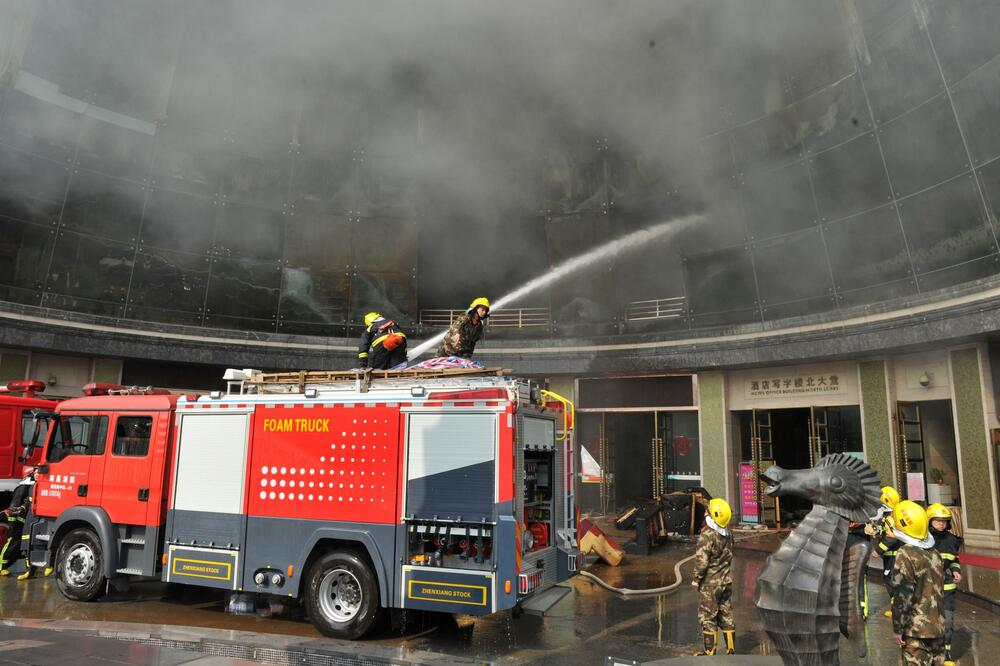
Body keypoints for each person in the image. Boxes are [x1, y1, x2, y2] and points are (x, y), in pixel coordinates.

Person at [890, 500, 946, 666]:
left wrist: (898, 629)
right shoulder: (935, 553)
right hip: (938, 628)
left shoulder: (905, 553)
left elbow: (902, 595)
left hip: (916, 630)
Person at [691, 498, 735, 656]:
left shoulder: (707, 536)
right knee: (726, 613)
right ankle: (731, 649)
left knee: (708, 616)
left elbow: (702, 562)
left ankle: (709, 653)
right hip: (726, 581)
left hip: (710, 584)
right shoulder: (728, 534)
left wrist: (696, 579)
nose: (705, 511)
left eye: (708, 510)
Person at [927, 503, 962, 666]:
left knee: (947, 621)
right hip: (927, 586)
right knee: (928, 621)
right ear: (929, 521)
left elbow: (954, 559)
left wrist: (956, 570)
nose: (941, 524)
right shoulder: (923, 538)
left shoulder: (951, 540)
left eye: (944, 521)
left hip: (946, 588)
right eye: (937, 520)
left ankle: (946, 652)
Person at [0, 467, 34, 577]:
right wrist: (12, 524)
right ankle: (1, 567)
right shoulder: (23, 488)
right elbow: (14, 506)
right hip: (18, 522)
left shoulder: (30, 486)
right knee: (13, 542)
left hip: (26, 521)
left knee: (22, 545)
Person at [875, 485, 901, 618]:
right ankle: (896, 607)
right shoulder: (890, 516)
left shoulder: (890, 518)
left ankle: (897, 609)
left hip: (893, 556)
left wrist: (878, 550)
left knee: (891, 580)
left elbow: (892, 539)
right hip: (891, 556)